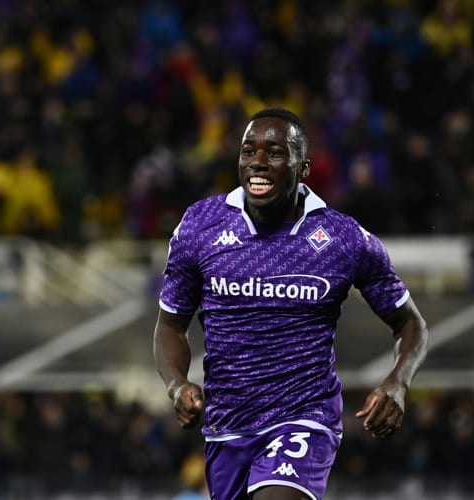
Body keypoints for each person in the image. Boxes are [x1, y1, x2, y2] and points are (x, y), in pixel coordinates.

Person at [153, 108, 429, 500]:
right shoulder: (201, 226)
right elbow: (169, 326)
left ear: (304, 168)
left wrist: (398, 383)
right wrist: (177, 385)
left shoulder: (343, 239)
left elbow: (411, 325)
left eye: (275, 153)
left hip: (304, 416)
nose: (258, 163)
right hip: (227, 426)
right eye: (249, 151)